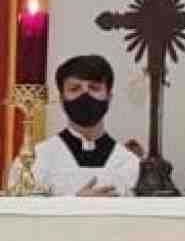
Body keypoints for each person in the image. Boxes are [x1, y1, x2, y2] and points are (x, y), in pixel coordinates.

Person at [8, 54, 142, 196]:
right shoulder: (36, 161)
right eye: (74, 88)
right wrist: (75, 204)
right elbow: (19, 215)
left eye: (94, 88)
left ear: (109, 97)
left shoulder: (130, 164)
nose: (85, 95)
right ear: (61, 99)